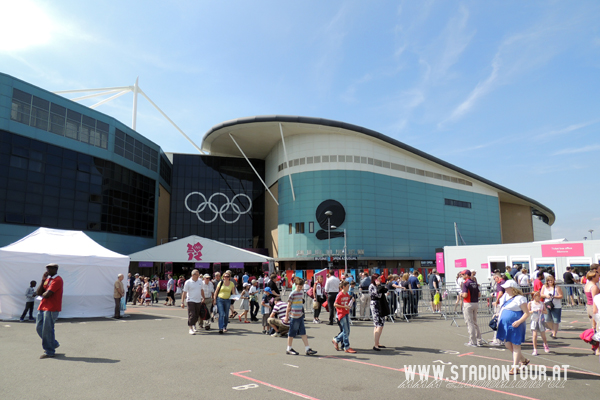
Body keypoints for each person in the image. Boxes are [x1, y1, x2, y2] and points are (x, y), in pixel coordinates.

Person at [495, 280, 530, 375]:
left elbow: (527, 313)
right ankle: (523, 360)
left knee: (516, 346)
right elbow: (502, 308)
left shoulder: (520, 298)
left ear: (512, 288)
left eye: (507, 287)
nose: (505, 289)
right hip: (505, 324)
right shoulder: (505, 296)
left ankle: (515, 367)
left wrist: (519, 321)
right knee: (507, 345)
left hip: (516, 324)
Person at [36, 263, 63, 359]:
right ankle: (53, 343)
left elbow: (46, 294)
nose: (47, 271)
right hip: (42, 306)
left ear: (55, 269)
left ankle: (50, 351)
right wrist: (42, 280)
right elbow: (39, 292)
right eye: (47, 268)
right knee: (39, 328)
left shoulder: (57, 280)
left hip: (51, 308)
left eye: (49, 269)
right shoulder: (48, 279)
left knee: (47, 329)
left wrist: (41, 294)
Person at [284, 278, 317, 356]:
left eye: (301, 287)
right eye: (299, 286)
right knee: (292, 333)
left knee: (303, 332)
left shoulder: (301, 293)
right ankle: (289, 348)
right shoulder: (292, 293)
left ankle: (307, 348)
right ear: (295, 285)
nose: (300, 288)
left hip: (300, 315)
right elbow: (288, 305)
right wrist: (286, 316)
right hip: (294, 316)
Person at [332, 281, 356, 353]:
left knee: (347, 331)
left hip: (346, 313)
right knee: (345, 330)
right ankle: (346, 346)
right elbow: (335, 304)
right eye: (347, 286)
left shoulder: (347, 295)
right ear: (343, 287)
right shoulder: (340, 295)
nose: (348, 287)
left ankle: (336, 339)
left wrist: (351, 303)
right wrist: (343, 306)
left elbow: (348, 304)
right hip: (341, 314)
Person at [460, 270, 482, 347]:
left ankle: (473, 341)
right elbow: (479, 294)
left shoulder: (466, 283)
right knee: (475, 322)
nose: (461, 275)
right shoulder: (474, 282)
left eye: (462, 274)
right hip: (475, 303)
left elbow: (465, 295)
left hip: (468, 303)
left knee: (469, 322)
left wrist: (461, 295)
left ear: (466, 275)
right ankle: (479, 340)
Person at [369, 273, 388, 351]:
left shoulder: (377, 286)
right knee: (378, 324)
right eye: (379, 278)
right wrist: (379, 286)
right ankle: (375, 345)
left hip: (380, 305)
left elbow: (384, 290)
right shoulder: (372, 286)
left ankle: (377, 342)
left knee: (380, 325)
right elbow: (378, 294)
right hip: (375, 305)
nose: (380, 280)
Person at [182, 269, 203, 334]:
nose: (198, 276)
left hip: (198, 300)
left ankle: (194, 324)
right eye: (197, 274)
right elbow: (184, 292)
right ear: (193, 275)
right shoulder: (188, 282)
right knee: (192, 314)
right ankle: (190, 328)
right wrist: (182, 302)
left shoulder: (200, 281)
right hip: (190, 300)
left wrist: (203, 297)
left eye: (198, 274)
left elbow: (201, 290)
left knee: (197, 315)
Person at [528, 291, 549, 355]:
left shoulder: (542, 304)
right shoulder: (530, 303)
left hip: (541, 320)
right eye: (538, 296)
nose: (539, 297)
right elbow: (528, 311)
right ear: (534, 297)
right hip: (534, 320)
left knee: (543, 335)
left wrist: (542, 311)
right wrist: (533, 311)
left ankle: (545, 344)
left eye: (540, 296)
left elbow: (546, 312)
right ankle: (535, 349)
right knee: (534, 335)